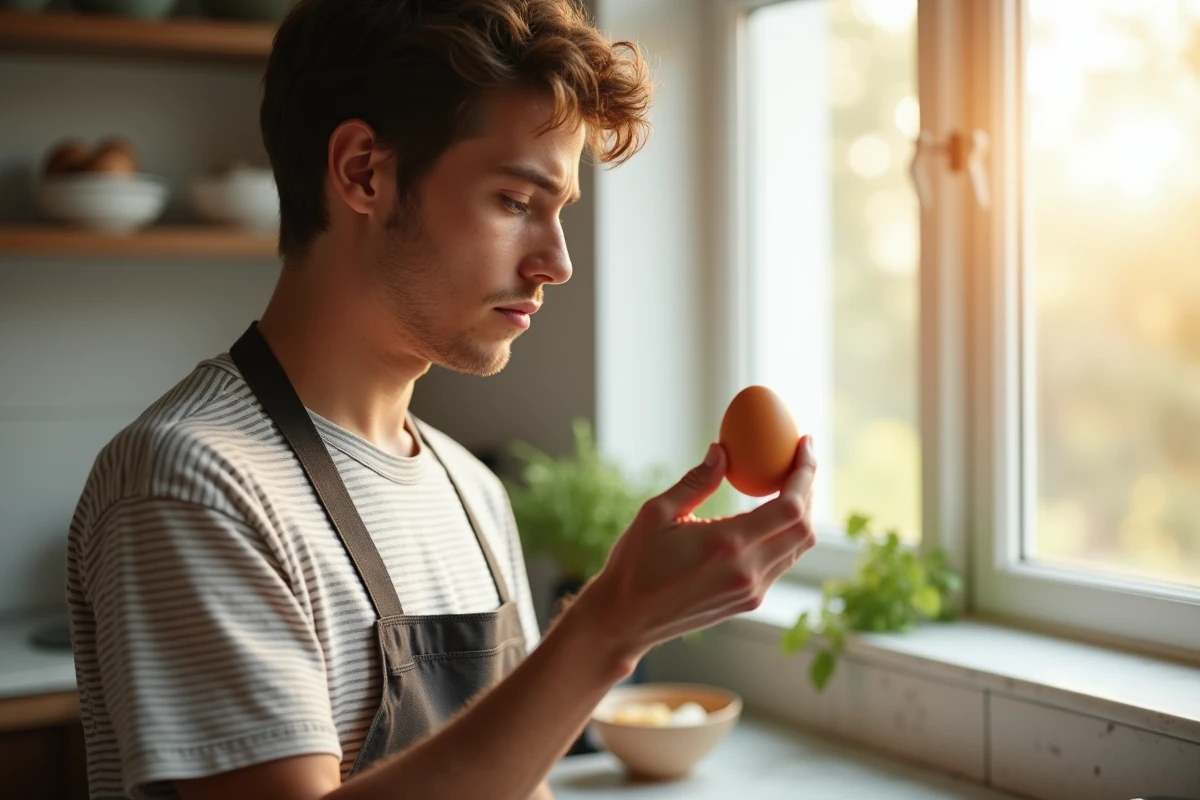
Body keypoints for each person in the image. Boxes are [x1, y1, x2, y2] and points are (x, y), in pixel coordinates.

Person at [64, 1, 819, 798]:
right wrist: (610, 627)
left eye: (559, 212)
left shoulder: (471, 490)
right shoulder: (192, 483)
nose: (556, 263)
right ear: (364, 172)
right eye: (515, 202)